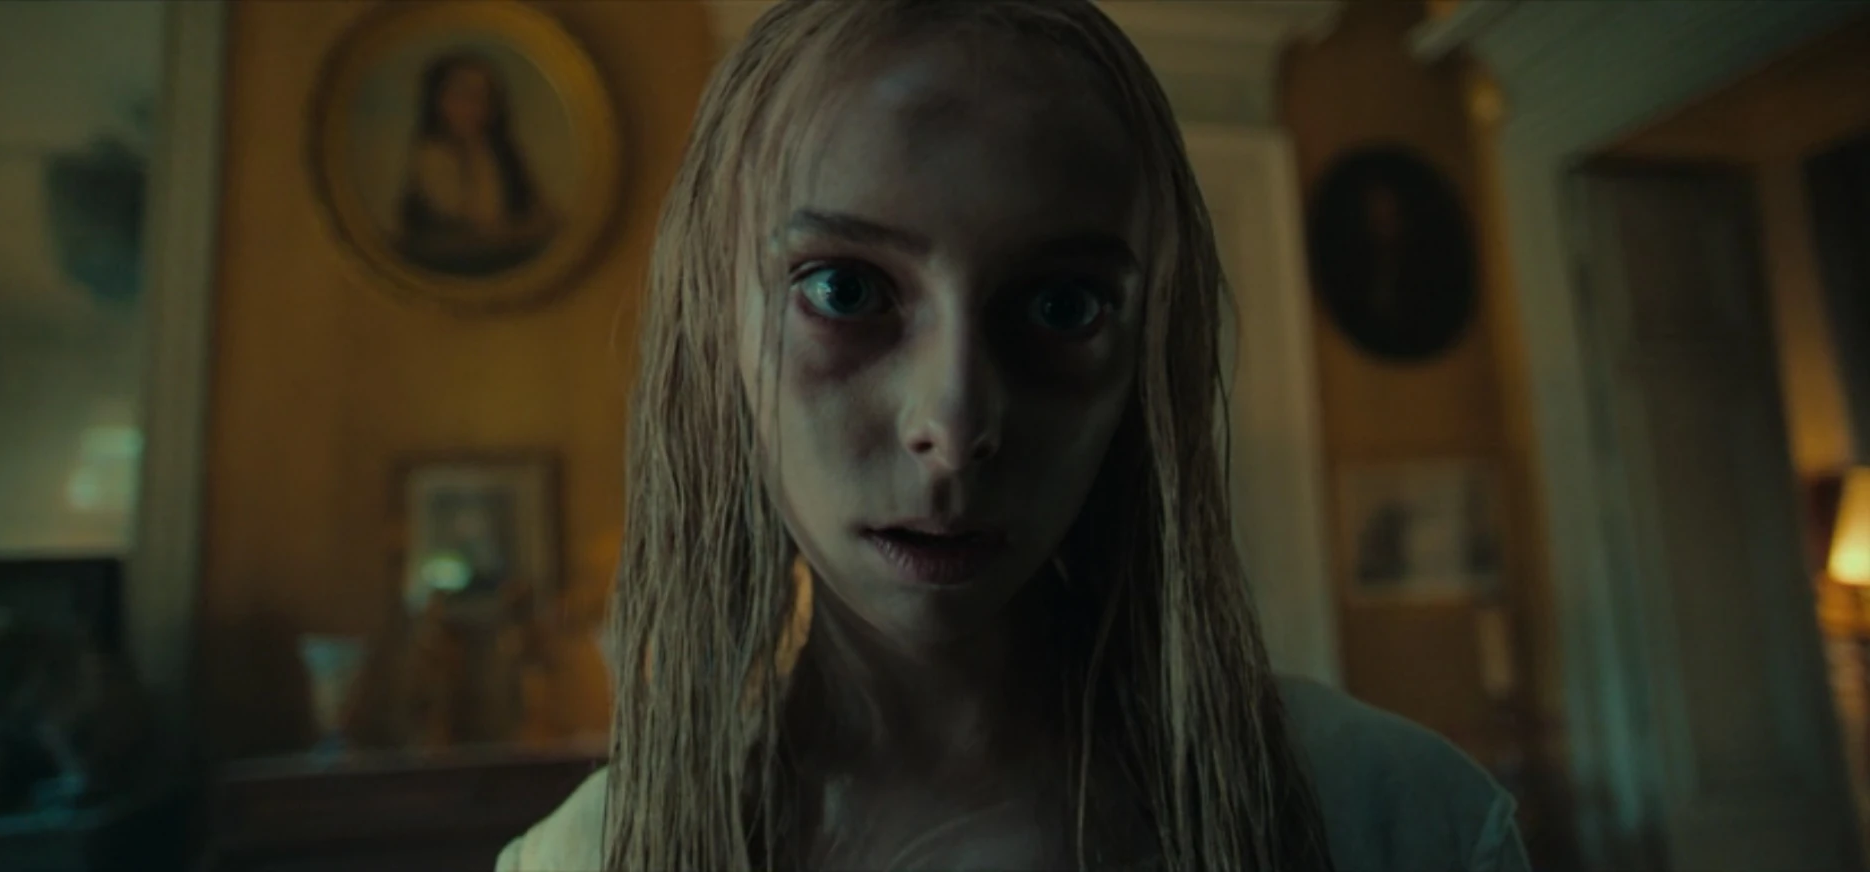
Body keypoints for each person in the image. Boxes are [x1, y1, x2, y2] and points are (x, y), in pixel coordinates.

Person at [499, 1, 1532, 870]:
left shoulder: (1394, 821)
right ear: (715, 322)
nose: (953, 427)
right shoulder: (588, 860)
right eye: (845, 289)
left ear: (1144, 351)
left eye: (1059, 305)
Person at [396, 52, 556, 277]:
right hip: (450, 269)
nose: (475, 106)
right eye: (463, 95)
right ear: (438, 100)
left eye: (484, 96)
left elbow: (544, 215)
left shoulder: (504, 155)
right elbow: (475, 225)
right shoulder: (430, 157)